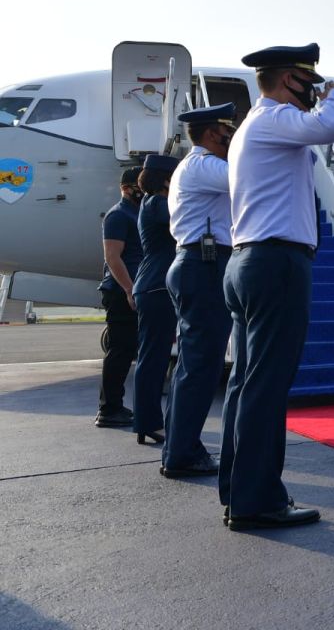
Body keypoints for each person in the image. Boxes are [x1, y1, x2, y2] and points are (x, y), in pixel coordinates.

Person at [221, 43, 334, 530]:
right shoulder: (272, 118)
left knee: (247, 384)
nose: (314, 92)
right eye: (308, 83)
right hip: (275, 262)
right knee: (268, 388)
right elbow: (330, 126)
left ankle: (238, 491)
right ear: (286, 80)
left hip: (251, 260)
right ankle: (258, 501)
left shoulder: (253, 128)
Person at [161, 103, 237, 479]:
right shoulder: (205, 165)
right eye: (227, 131)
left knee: (192, 366)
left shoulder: (197, 165)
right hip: (203, 265)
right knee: (201, 367)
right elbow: (247, 177)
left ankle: (180, 447)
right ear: (211, 134)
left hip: (197, 264)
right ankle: (182, 453)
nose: (231, 137)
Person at [131, 154, 180, 446]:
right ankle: (147, 422)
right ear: (165, 179)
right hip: (156, 287)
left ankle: (146, 422)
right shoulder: (158, 204)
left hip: (156, 286)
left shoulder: (153, 203)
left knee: (156, 357)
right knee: (153, 358)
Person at [95, 167, 144, 428]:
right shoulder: (118, 215)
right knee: (120, 351)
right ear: (127, 188)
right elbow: (112, 257)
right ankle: (109, 409)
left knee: (126, 351)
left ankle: (115, 406)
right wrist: (129, 289)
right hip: (121, 292)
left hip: (132, 290)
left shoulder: (136, 213)